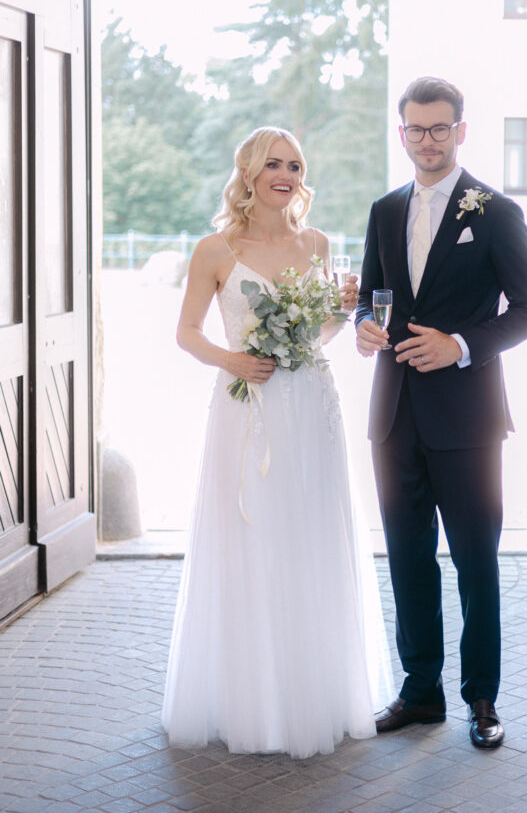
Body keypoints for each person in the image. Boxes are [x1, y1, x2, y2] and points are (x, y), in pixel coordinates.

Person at [162, 126, 393, 759]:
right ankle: (252, 701)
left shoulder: (317, 243)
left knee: (309, 536)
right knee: (251, 536)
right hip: (247, 408)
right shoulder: (214, 250)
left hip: (311, 405)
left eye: (294, 165)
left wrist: (341, 311)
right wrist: (232, 360)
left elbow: (318, 334)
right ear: (249, 173)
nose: (286, 175)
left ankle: (312, 693)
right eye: (273, 164)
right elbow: (187, 333)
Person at [355, 76, 527, 748]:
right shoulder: (384, 210)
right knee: (408, 559)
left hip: (467, 419)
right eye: (416, 128)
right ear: (401, 132)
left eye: (440, 128)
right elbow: (370, 294)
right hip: (393, 416)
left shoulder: (493, 211)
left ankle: (482, 699)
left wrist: (460, 345)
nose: (427, 140)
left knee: (474, 561)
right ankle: (419, 693)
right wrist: (363, 325)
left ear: (460, 131)